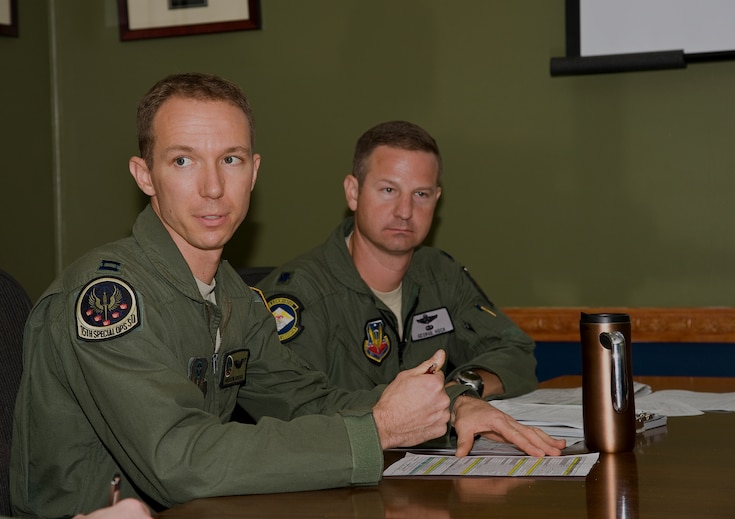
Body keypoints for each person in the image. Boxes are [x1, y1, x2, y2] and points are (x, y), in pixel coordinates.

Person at [10, 74, 563, 518]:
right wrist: (378, 432)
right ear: (145, 175)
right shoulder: (109, 297)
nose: (211, 187)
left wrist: (446, 406)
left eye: (230, 159)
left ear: (253, 173)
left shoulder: (231, 294)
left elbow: (309, 399)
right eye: (183, 160)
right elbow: (179, 460)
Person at [258, 120, 537, 400]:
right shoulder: (301, 294)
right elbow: (299, 407)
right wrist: (431, 406)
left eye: (421, 194)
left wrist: (461, 392)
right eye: (389, 190)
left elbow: (516, 353)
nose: (405, 211)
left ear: (436, 199)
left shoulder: (440, 274)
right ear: (353, 192)